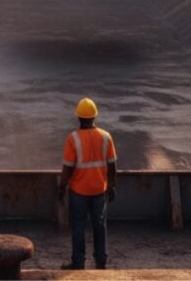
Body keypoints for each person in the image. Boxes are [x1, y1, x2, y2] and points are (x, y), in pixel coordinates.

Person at [59, 98, 117, 270]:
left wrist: (62, 188)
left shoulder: (73, 138)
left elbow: (67, 168)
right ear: (94, 117)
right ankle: (101, 262)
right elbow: (113, 165)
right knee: (100, 226)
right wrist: (112, 186)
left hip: (79, 191)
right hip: (100, 189)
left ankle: (78, 262)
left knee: (78, 226)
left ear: (78, 117)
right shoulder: (106, 137)